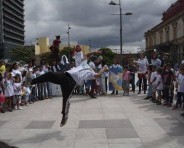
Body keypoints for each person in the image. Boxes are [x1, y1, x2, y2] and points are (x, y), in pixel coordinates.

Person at [31, 55, 107, 127]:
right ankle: (32, 82)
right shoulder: (85, 63)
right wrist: (95, 53)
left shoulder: (92, 73)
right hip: (66, 75)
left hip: (72, 82)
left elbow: (98, 75)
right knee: (50, 74)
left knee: (65, 99)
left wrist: (104, 68)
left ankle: (65, 116)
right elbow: (86, 55)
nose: (92, 66)